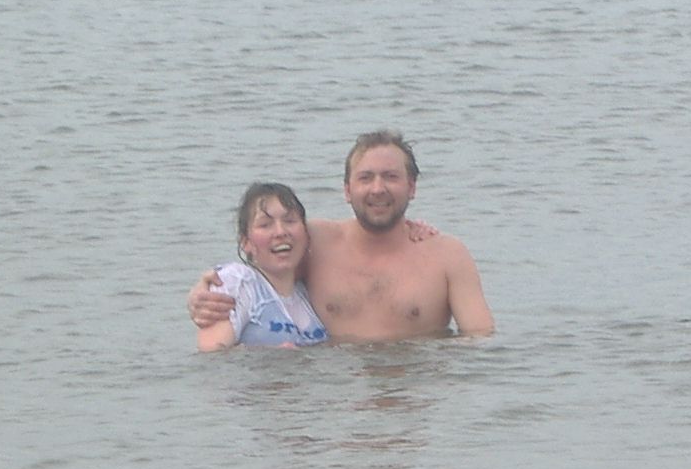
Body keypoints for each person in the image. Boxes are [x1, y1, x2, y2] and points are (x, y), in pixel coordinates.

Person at [189, 130, 495, 343]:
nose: (378, 189)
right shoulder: (314, 242)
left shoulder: (447, 256)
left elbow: (481, 342)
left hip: (414, 393)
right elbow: (259, 270)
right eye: (365, 178)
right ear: (347, 190)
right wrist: (201, 292)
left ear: (411, 187)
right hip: (337, 399)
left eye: (391, 177)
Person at [196, 182, 328, 351]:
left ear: (306, 234)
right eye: (265, 225)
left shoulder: (308, 294)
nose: (281, 232)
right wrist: (268, 357)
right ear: (246, 243)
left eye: (290, 221)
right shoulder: (236, 282)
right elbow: (211, 356)